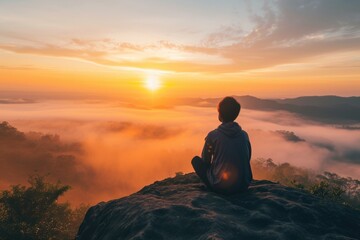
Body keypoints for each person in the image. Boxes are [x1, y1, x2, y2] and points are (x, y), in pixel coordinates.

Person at [191, 96, 252, 194]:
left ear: (220, 114)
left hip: (221, 187)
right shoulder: (244, 135)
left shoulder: (213, 135)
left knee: (196, 161)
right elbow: (247, 158)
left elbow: (205, 161)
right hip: (243, 186)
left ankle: (212, 186)